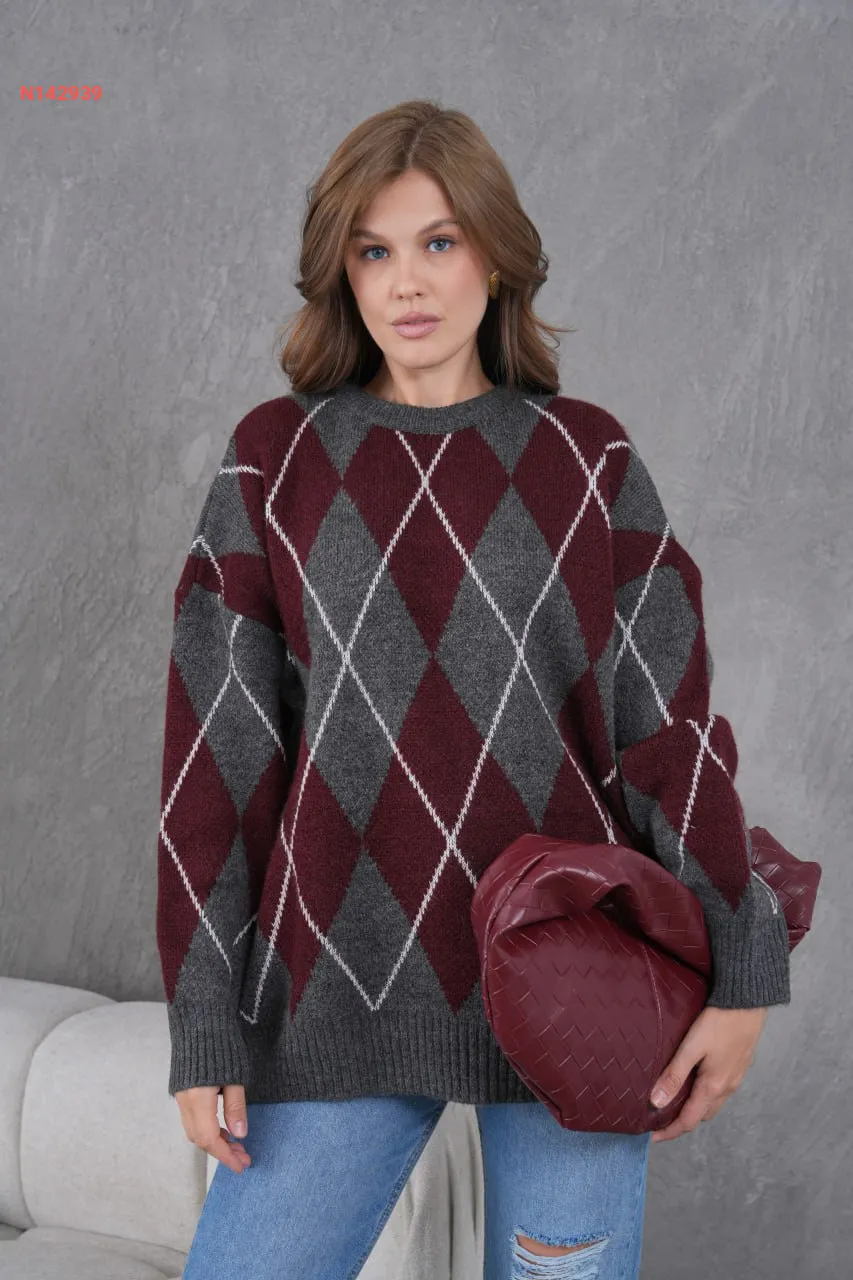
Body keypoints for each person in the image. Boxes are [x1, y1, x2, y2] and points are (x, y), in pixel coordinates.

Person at [155, 98, 790, 1279]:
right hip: (337, 985)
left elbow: (672, 733)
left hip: (577, 987)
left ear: (494, 256)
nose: (407, 281)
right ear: (341, 273)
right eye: (373, 250)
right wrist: (203, 1024)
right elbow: (215, 766)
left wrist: (743, 975)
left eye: (438, 241)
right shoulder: (273, 461)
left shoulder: (587, 459)